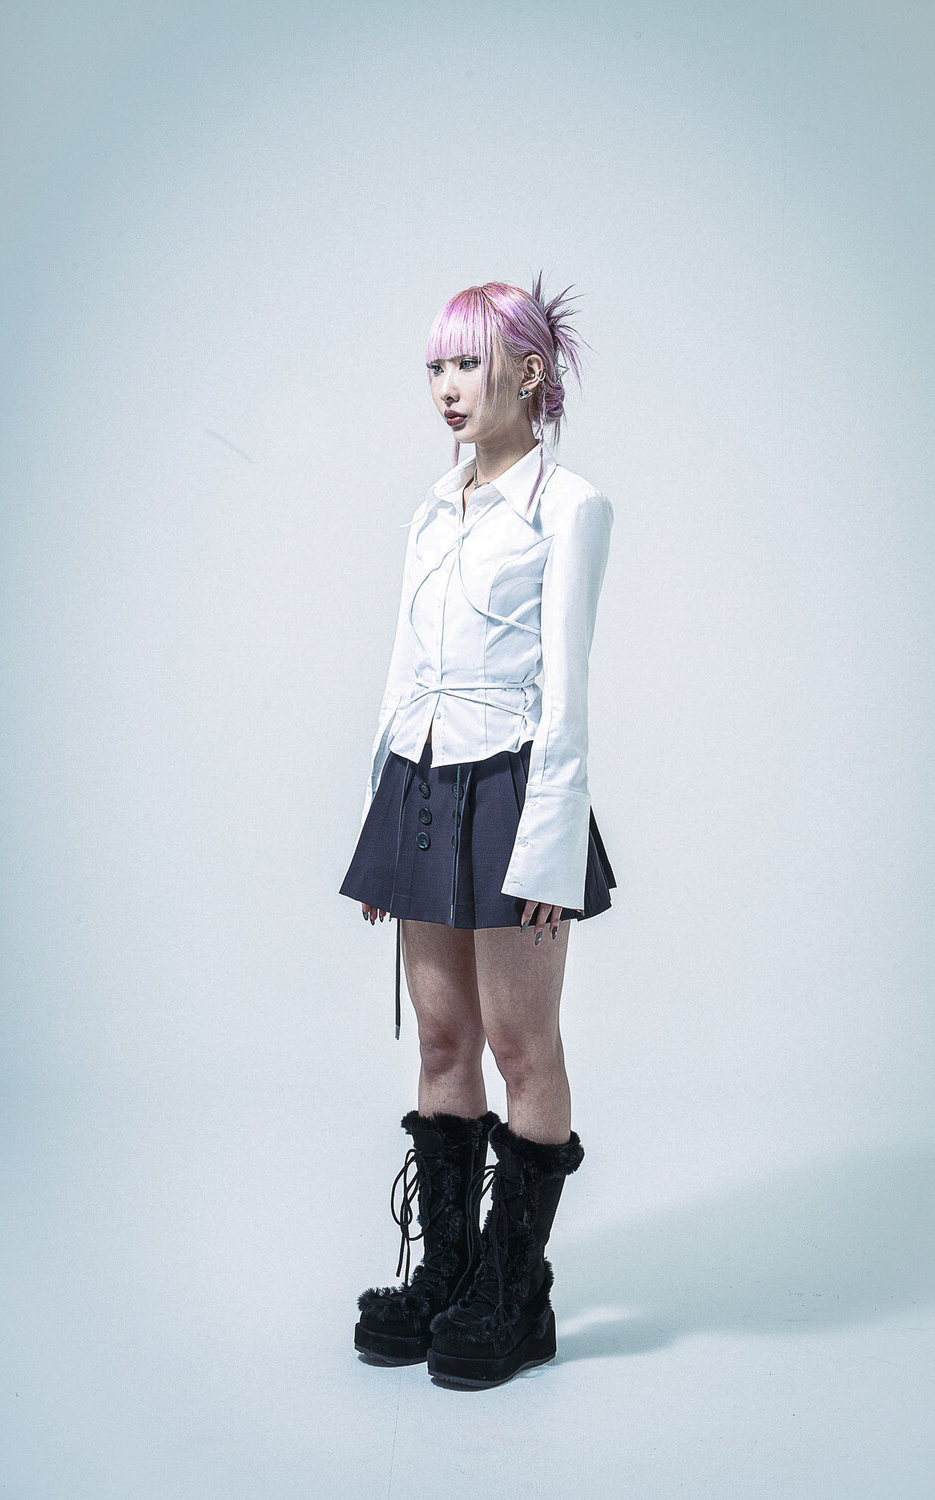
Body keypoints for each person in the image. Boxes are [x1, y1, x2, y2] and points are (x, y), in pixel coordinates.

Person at [339, 274, 616, 1389]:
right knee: (442, 1042)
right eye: (436, 368)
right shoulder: (432, 506)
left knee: (519, 1045)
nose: (448, 388)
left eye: (469, 364)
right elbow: (405, 670)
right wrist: (382, 819)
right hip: (421, 786)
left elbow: (568, 692)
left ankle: (515, 1294)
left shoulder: (569, 506)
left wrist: (549, 842)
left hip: (513, 786)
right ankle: (446, 1277)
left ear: (529, 374)